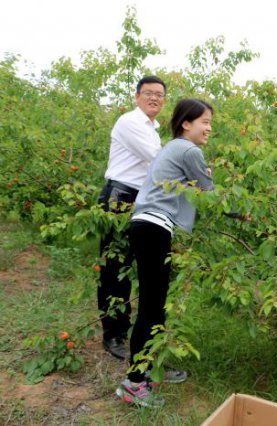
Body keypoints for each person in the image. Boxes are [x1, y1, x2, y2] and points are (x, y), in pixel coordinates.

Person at [115, 98, 214, 408]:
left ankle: (151, 368)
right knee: (151, 308)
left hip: (149, 227)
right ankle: (134, 382)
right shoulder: (189, 150)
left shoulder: (173, 149)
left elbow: (191, 187)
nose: (209, 128)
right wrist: (243, 213)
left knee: (156, 307)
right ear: (186, 123)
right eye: (205, 122)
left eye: (210, 123)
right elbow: (210, 194)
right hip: (153, 228)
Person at [98, 76, 166, 360]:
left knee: (132, 268)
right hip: (120, 198)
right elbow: (158, 160)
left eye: (159, 94)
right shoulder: (130, 122)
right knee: (115, 268)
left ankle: (127, 330)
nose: (154, 98)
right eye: (148, 93)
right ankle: (113, 334)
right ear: (137, 96)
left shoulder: (153, 129)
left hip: (140, 199)